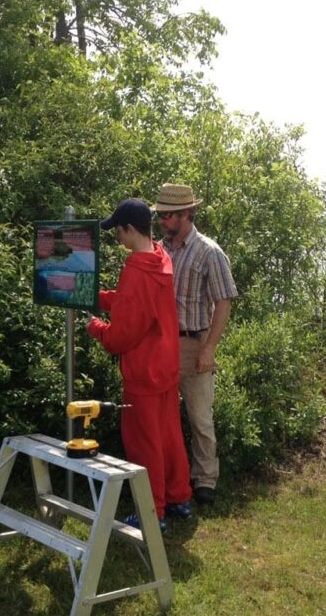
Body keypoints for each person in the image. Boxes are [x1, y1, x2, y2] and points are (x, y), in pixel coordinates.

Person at [86, 198, 193, 530]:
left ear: (130, 229)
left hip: (143, 373)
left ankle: (153, 513)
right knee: (169, 437)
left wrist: (95, 328)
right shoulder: (160, 259)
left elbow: (123, 334)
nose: (117, 237)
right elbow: (134, 302)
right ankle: (179, 498)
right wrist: (96, 296)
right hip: (165, 366)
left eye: (118, 231)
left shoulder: (136, 270)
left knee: (145, 444)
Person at [155, 183, 238, 506]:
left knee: (200, 416)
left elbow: (224, 302)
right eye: (160, 215)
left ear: (187, 214)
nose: (162, 220)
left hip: (193, 340)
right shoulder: (157, 250)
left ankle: (205, 480)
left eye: (168, 215)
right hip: (160, 345)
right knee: (162, 415)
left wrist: (209, 348)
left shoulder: (209, 251)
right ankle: (169, 476)